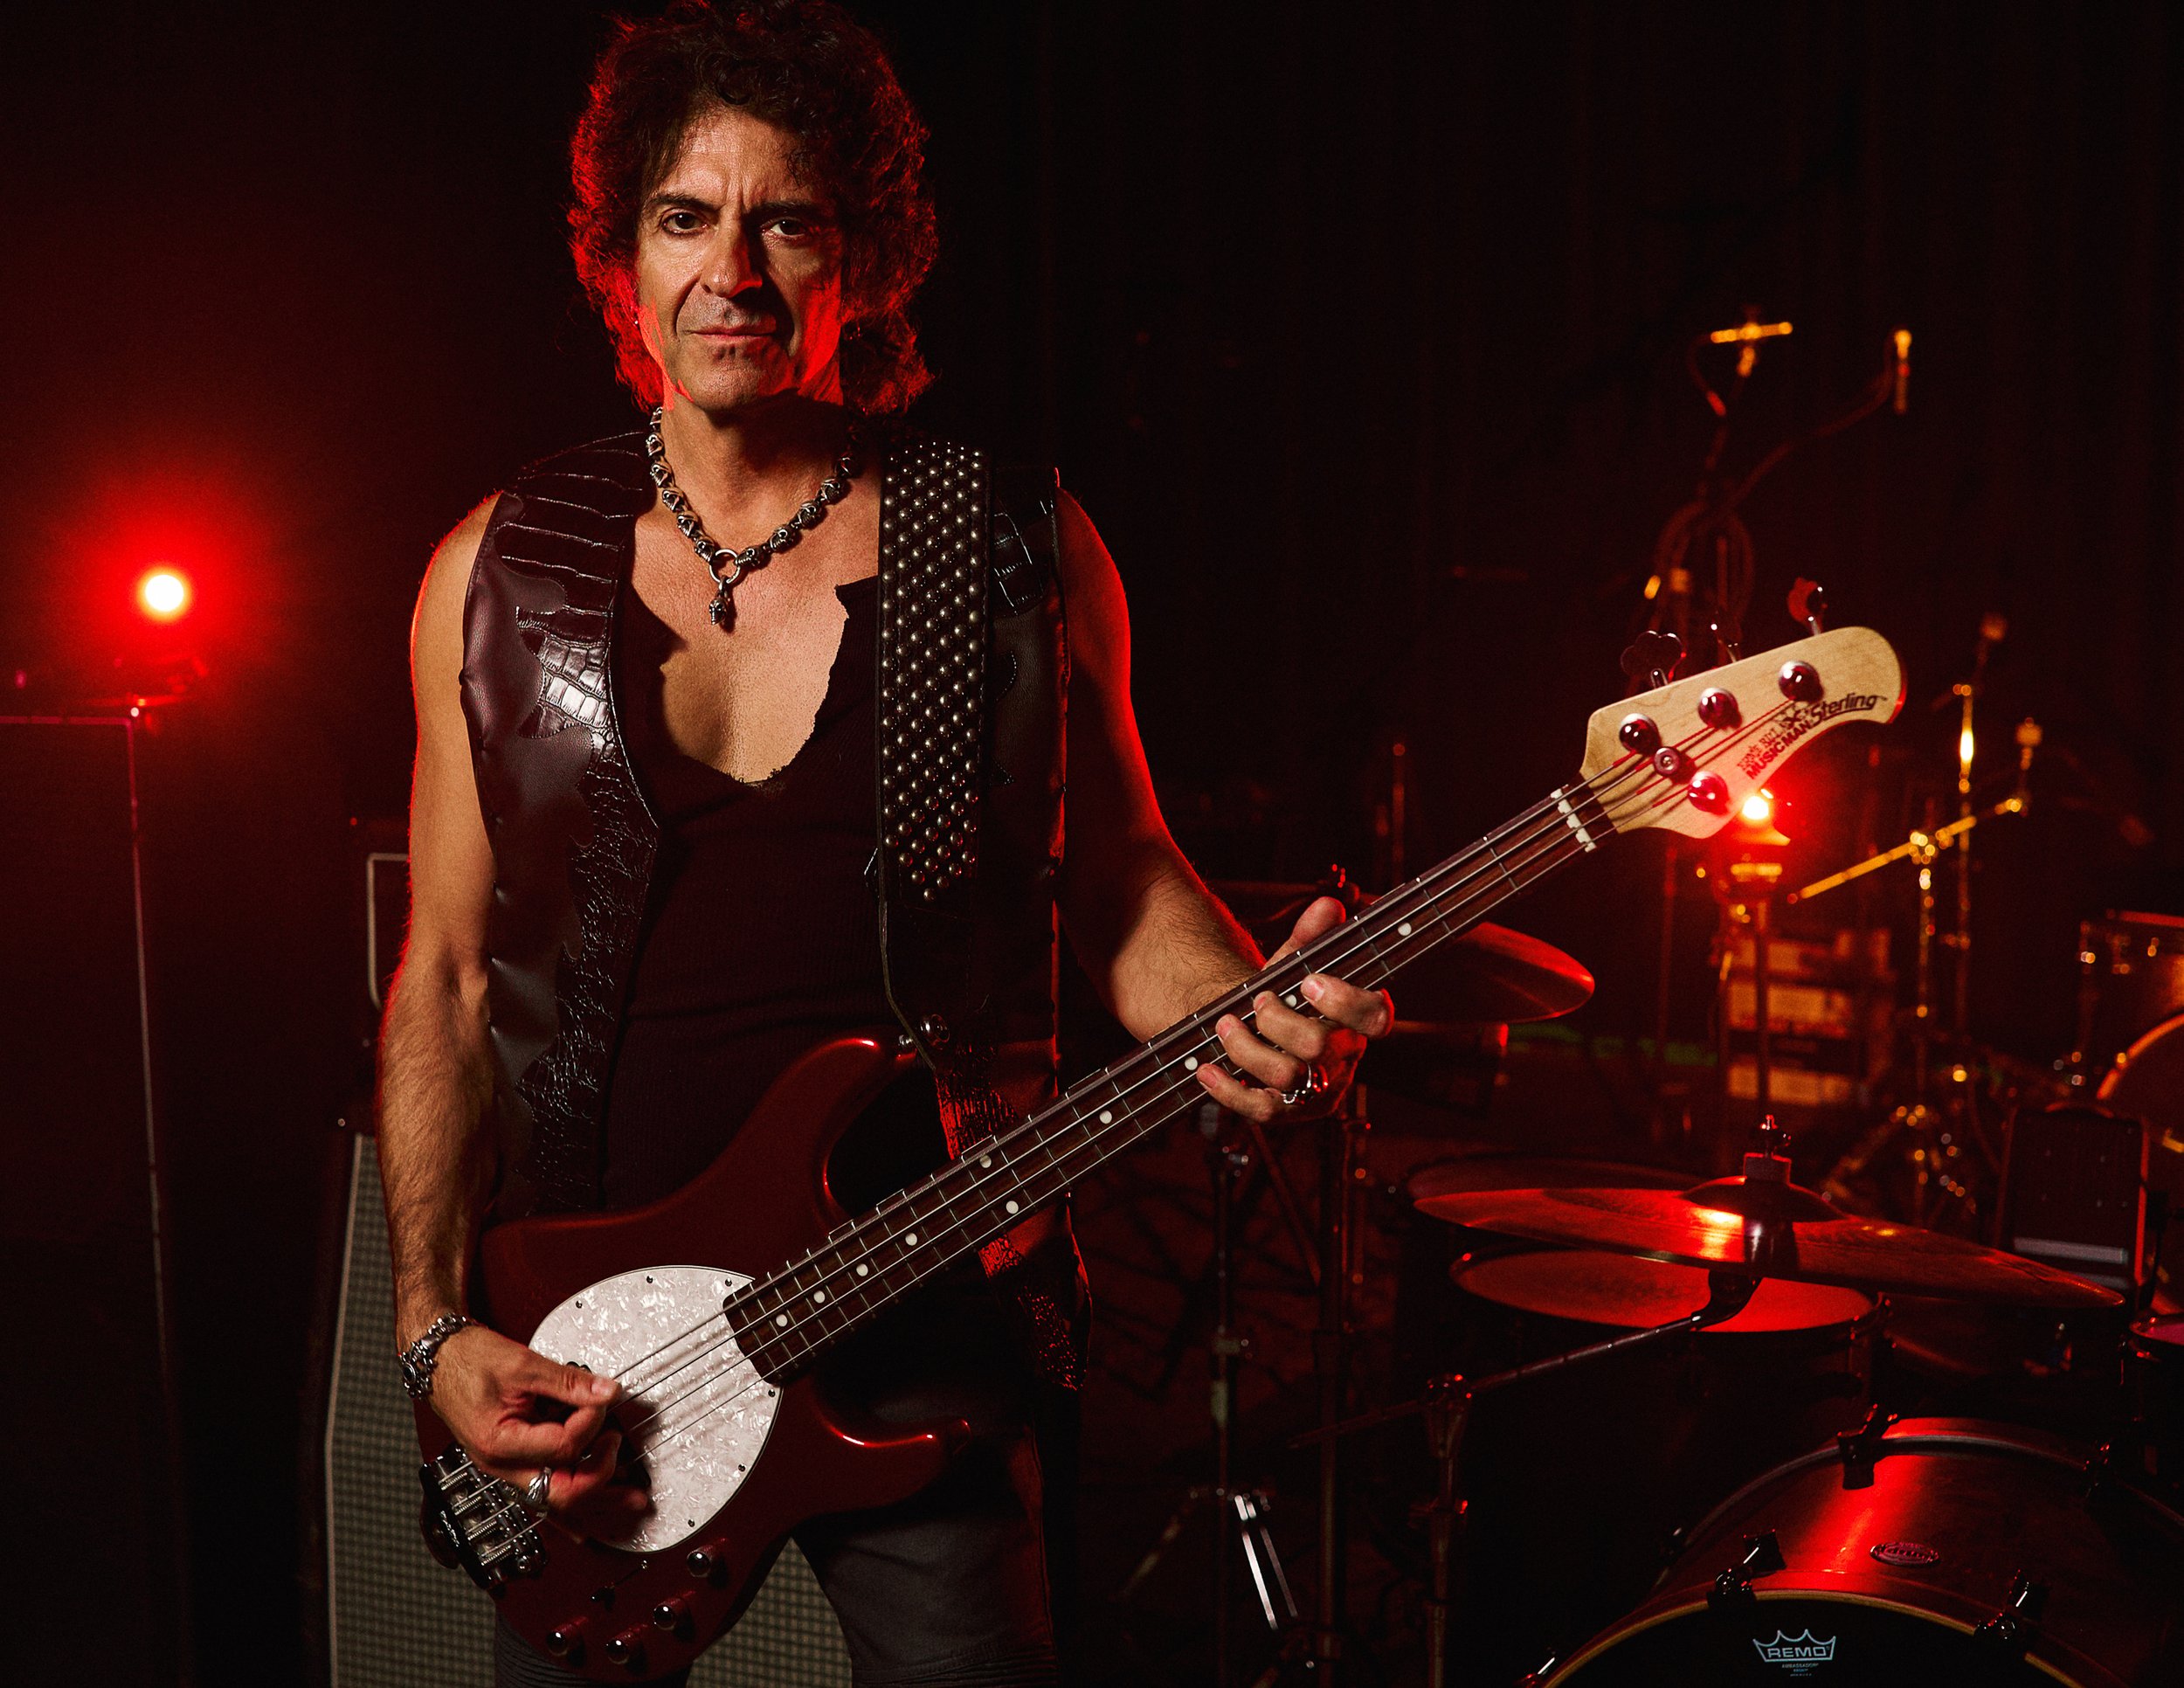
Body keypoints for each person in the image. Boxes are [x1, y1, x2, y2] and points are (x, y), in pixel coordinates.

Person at [374, 3, 1393, 1684]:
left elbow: (1124, 880)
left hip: (919, 1303)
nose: (735, 271)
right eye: (687, 218)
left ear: (868, 255)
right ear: (621, 254)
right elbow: (449, 976)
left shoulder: (999, 535)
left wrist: (1252, 1002)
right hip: (591, 1347)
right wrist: (431, 1331)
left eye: (790, 221)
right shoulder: (498, 569)